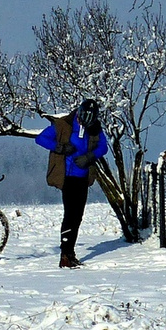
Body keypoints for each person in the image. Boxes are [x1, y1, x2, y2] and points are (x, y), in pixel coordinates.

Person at [34, 98, 109, 268]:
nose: (86, 121)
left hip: (83, 177)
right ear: (79, 113)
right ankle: (65, 254)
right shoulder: (63, 124)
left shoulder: (95, 128)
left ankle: (70, 252)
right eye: (83, 118)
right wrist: (60, 147)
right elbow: (41, 138)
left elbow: (103, 147)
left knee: (78, 216)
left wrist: (89, 157)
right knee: (70, 214)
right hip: (66, 176)